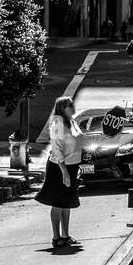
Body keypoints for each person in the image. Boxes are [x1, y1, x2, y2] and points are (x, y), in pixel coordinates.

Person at [35, 96, 82, 250]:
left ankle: (65, 235)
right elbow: (56, 149)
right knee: (57, 202)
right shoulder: (57, 123)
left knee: (67, 202)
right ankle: (56, 237)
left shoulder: (72, 121)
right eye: (70, 105)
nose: (73, 107)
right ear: (62, 107)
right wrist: (64, 172)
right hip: (59, 167)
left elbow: (78, 142)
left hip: (72, 165)